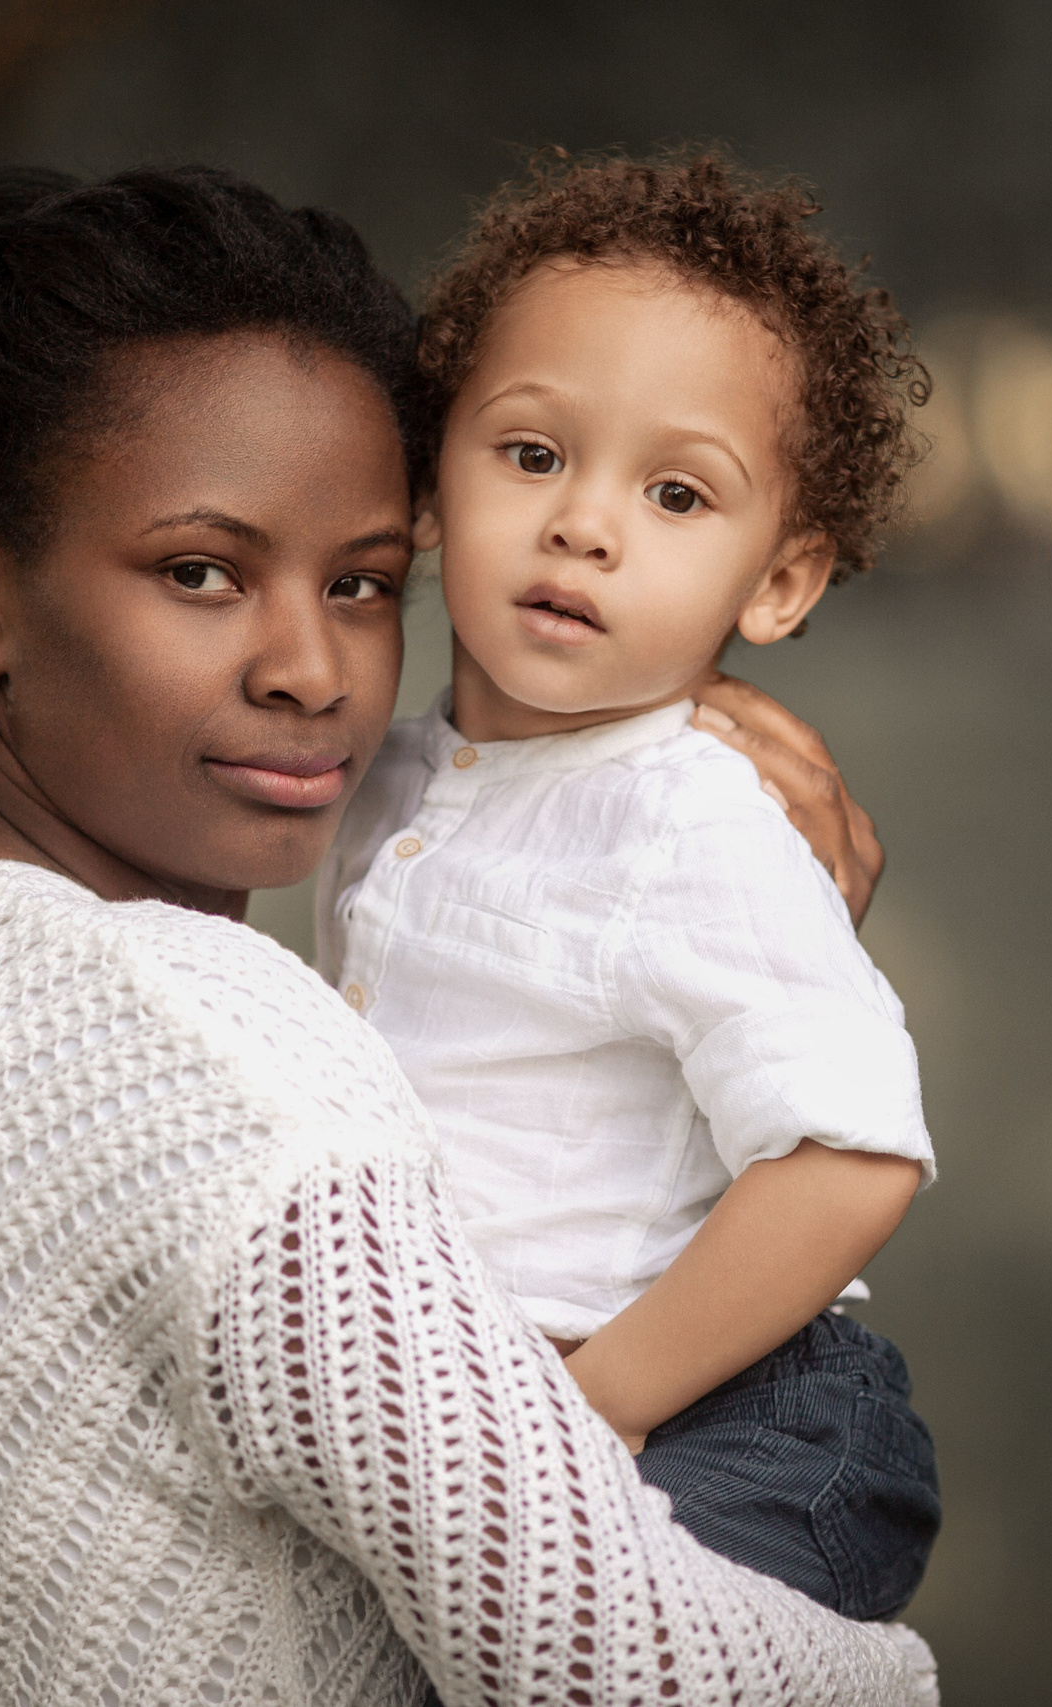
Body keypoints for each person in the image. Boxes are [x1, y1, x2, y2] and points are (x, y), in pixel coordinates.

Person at [0, 164, 936, 1705]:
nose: (313, 670)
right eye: (202, 572)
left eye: (362, 583)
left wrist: (652, 781)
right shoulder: (212, 1067)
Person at [315, 153, 937, 1623]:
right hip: (524, 1398)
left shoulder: (693, 813)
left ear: (777, 585)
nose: (586, 524)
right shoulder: (391, 774)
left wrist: (592, 1410)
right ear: (426, 484)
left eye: (675, 493)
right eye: (531, 456)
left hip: (747, 1416)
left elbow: (853, 1155)